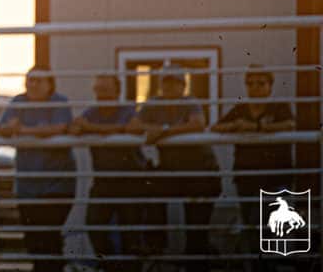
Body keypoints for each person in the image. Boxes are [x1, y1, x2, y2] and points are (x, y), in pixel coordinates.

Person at [127, 66, 219, 272]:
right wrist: (153, 129)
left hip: (201, 171)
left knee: (196, 230)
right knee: (149, 187)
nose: (169, 86)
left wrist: (163, 131)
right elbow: (132, 126)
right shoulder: (153, 103)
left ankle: (196, 264)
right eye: (166, 82)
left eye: (175, 82)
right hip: (173, 172)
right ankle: (155, 245)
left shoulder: (190, 102)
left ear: (183, 86)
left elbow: (198, 124)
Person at [211, 65, 296, 265]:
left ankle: (265, 265)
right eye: (250, 84)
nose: (255, 88)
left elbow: (291, 124)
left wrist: (256, 127)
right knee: (251, 224)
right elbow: (216, 127)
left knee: (265, 223)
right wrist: (235, 125)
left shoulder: (279, 107)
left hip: (275, 177)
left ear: (270, 86)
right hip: (246, 177)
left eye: (260, 83)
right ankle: (258, 266)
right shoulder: (241, 109)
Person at [0, 66, 74, 272]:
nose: (33, 84)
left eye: (38, 81)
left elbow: (58, 128)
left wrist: (22, 130)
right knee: (33, 239)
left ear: (50, 84)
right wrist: (11, 129)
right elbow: (2, 128)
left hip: (56, 185)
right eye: (30, 80)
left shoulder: (59, 101)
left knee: (50, 237)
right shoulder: (19, 102)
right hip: (27, 187)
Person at [69, 74, 147, 272]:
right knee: (94, 224)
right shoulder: (92, 112)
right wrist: (109, 130)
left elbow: (134, 127)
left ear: (116, 91)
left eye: (105, 89)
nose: (100, 94)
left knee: (131, 235)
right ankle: (110, 267)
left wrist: (93, 129)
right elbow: (75, 127)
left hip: (131, 181)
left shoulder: (127, 109)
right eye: (97, 89)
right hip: (104, 181)